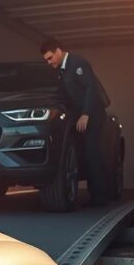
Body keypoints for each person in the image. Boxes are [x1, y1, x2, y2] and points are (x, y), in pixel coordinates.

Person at [40, 38, 111, 206]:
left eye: (50, 58)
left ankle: (101, 197)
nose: (49, 62)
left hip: (93, 115)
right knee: (87, 152)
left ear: (58, 51)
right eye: (46, 60)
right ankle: (97, 195)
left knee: (92, 153)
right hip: (81, 116)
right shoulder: (62, 70)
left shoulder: (78, 64)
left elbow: (91, 88)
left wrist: (85, 114)